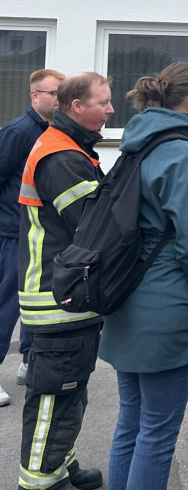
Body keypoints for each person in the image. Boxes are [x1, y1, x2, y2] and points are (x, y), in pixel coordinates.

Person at [98, 61, 188, 489]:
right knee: (157, 432)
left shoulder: (138, 143)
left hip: (127, 295)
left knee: (131, 422)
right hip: (167, 307)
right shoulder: (183, 151)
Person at [17, 71, 112, 490]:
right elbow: (94, 228)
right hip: (58, 298)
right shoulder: (62, 157)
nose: (111, 110)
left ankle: (59, 463)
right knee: (54, 395)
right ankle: (39, 481)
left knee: (69, 391)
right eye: (103, 102)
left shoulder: (70, 147)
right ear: (77, 106)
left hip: (65, 294)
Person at [0, 68, 64, 407]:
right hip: (13, 233)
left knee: (35, 301)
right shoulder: (18, 131)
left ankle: (29, 360)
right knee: (7, 304)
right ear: (34, 95)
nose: (58, 99)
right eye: (52, 93)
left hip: (38, 233)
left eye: (61, 93)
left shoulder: (55, 131)